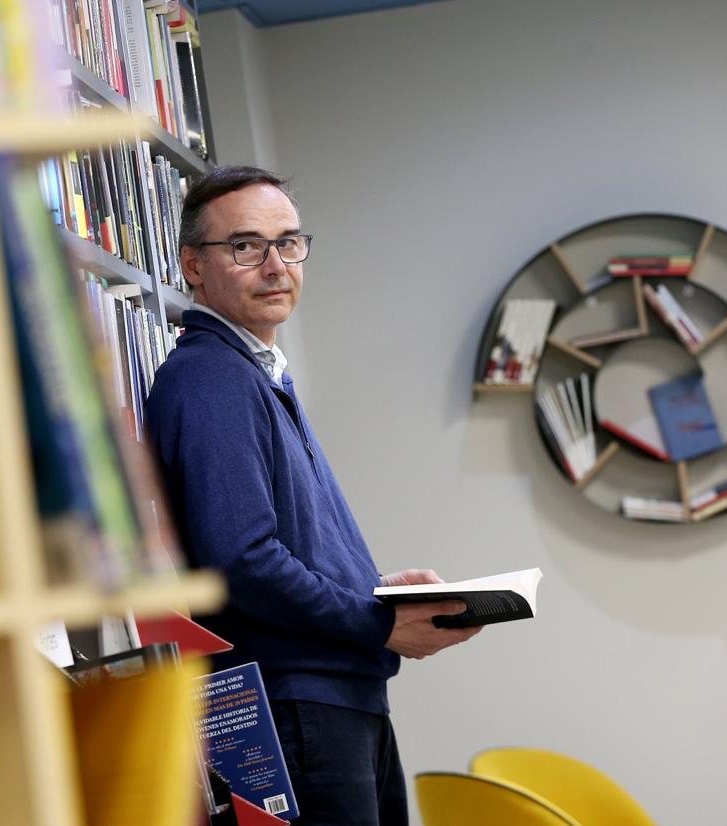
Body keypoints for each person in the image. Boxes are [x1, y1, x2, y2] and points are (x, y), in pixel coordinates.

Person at [145, 166, 481, 826]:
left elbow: (276, 545)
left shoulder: (256, 372)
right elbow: (241, 560)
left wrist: (375, 590)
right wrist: (380, 621)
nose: (275, 266)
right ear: (193, 265)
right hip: (292, 712)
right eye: (245, 246)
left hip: (333, 704)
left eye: (289, 243)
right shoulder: (210, 377)